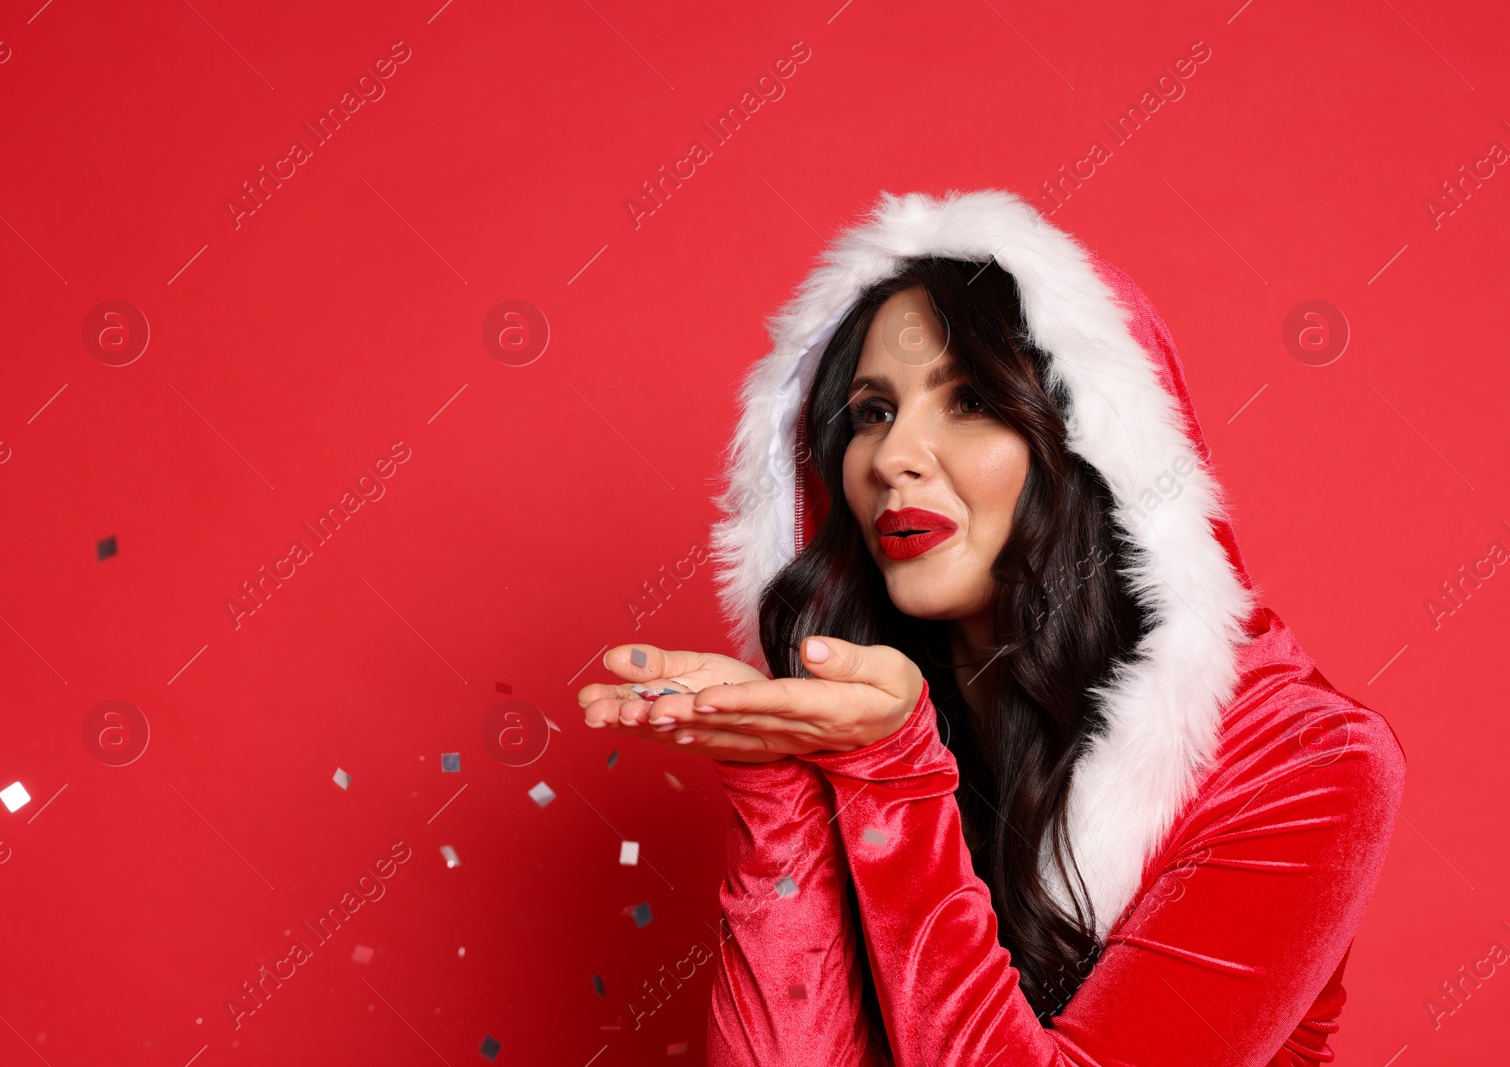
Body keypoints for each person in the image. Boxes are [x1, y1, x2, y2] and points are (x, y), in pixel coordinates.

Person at [577, 189, 1406, 1066]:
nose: (895, 454)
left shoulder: (1311, 760)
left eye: (968, 400)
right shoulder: (877, 715)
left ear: (1089, 445)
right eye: (871, 411)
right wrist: (776, 772)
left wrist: (894, 779)